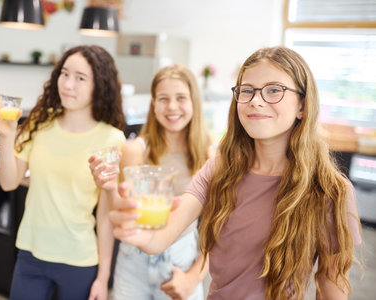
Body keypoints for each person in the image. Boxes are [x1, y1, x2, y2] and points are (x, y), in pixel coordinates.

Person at [108, 47, 362, 300]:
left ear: (302, 107)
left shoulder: (329, 189)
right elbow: (158, 240)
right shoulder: (219, 168)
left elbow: (331, 285)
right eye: (247, 90)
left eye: (274, 90)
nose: (256, 100)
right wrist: (135, 229)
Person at [0, 45, 126, 300]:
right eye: (64, 73)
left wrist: (103, 278)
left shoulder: (113, 139)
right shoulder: (40, 123)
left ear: (100, 85)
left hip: (79, 259)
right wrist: (7, 136)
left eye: (80, 78)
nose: (67, 84)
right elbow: (9, 183)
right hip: (31, 253)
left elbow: (106, 217)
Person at [90, 64, 212, 299]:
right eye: (163, 99)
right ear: (153, 104)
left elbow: (219, 228)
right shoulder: (134, 150)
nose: (172, 107)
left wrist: (193, 278)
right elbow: (110, 213)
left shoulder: (210, 156)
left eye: (181, 98)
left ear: (194, 102)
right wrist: (102, 277)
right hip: (133, 260)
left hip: (183, 260)